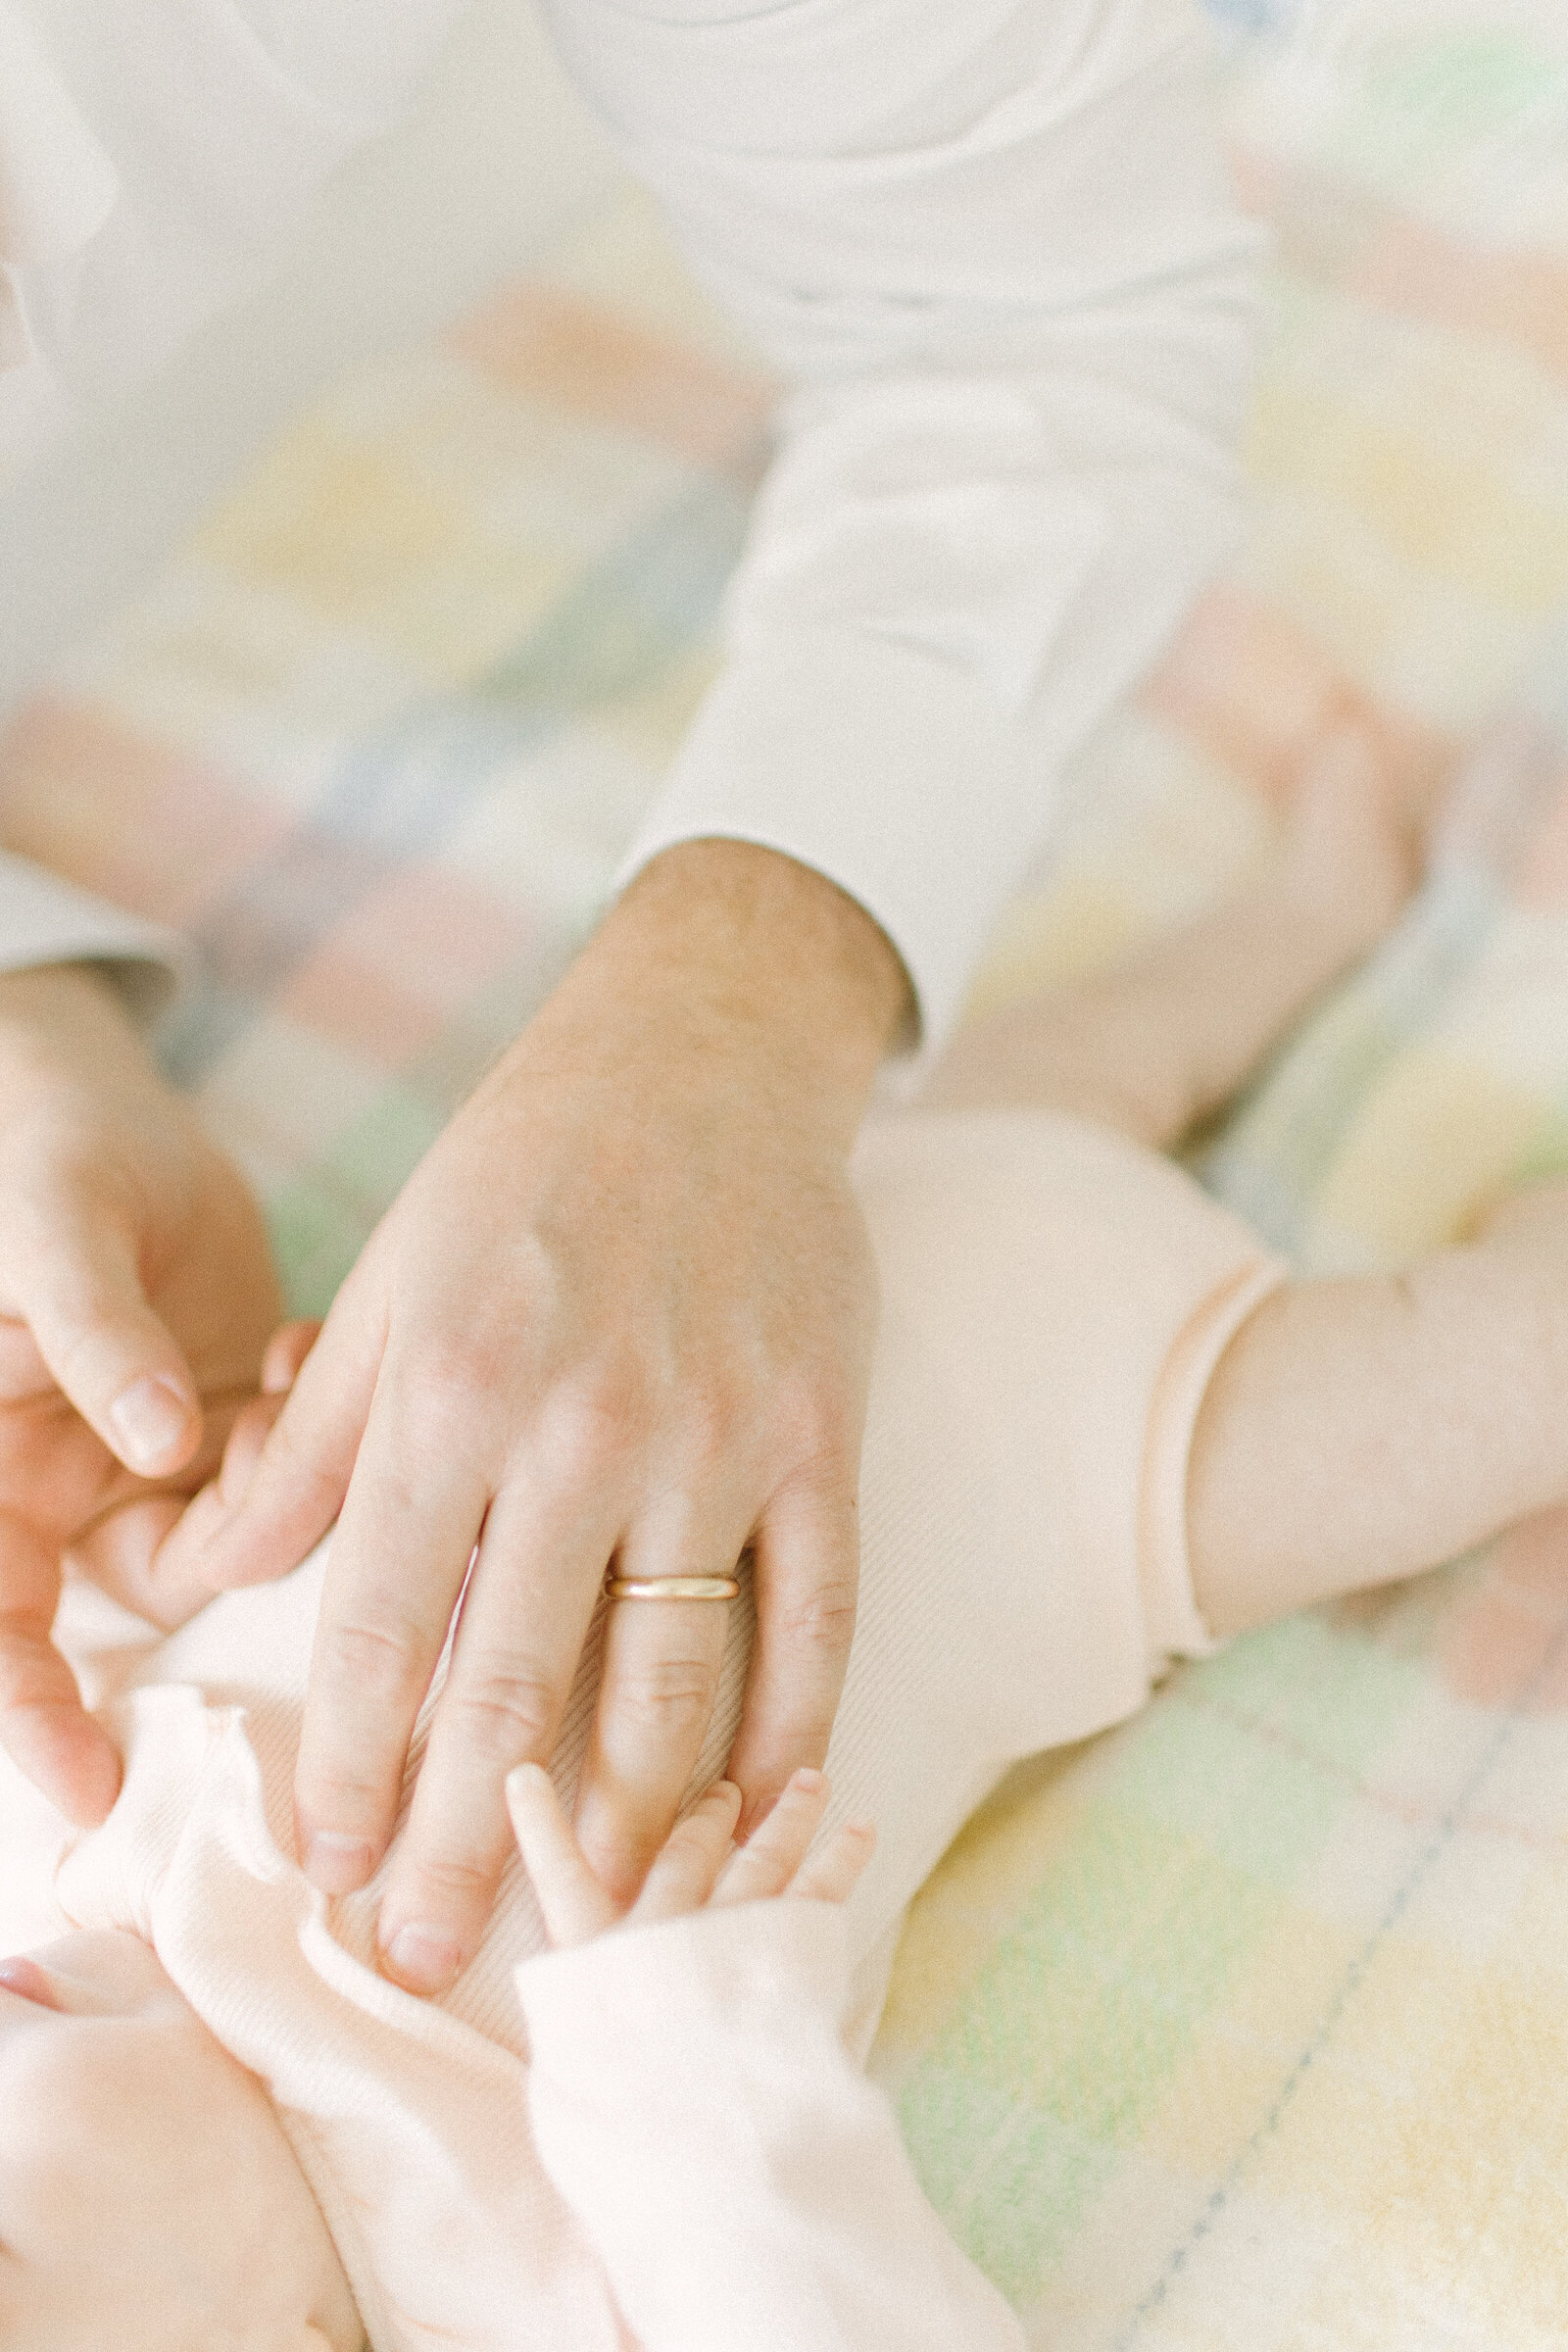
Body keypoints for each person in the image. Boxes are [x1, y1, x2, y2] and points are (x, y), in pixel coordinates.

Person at [0, 0, 1267, 1996]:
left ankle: (1332, 865)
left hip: (899, 1242)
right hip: (1080, 1445)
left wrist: (736, 991)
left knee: (1192, 1017)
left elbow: (1025, 326)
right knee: (1365, 1400)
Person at [5, 733, 1568, 2349]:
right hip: (1088, 1463)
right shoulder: (493, 2281)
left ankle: (1319, 899)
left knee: (1107, 1044)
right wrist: (679, 2035)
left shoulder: (45, 1882)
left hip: (755, 1204)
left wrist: (164, 1528)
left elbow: (92, 1622)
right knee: (1486, 1386)